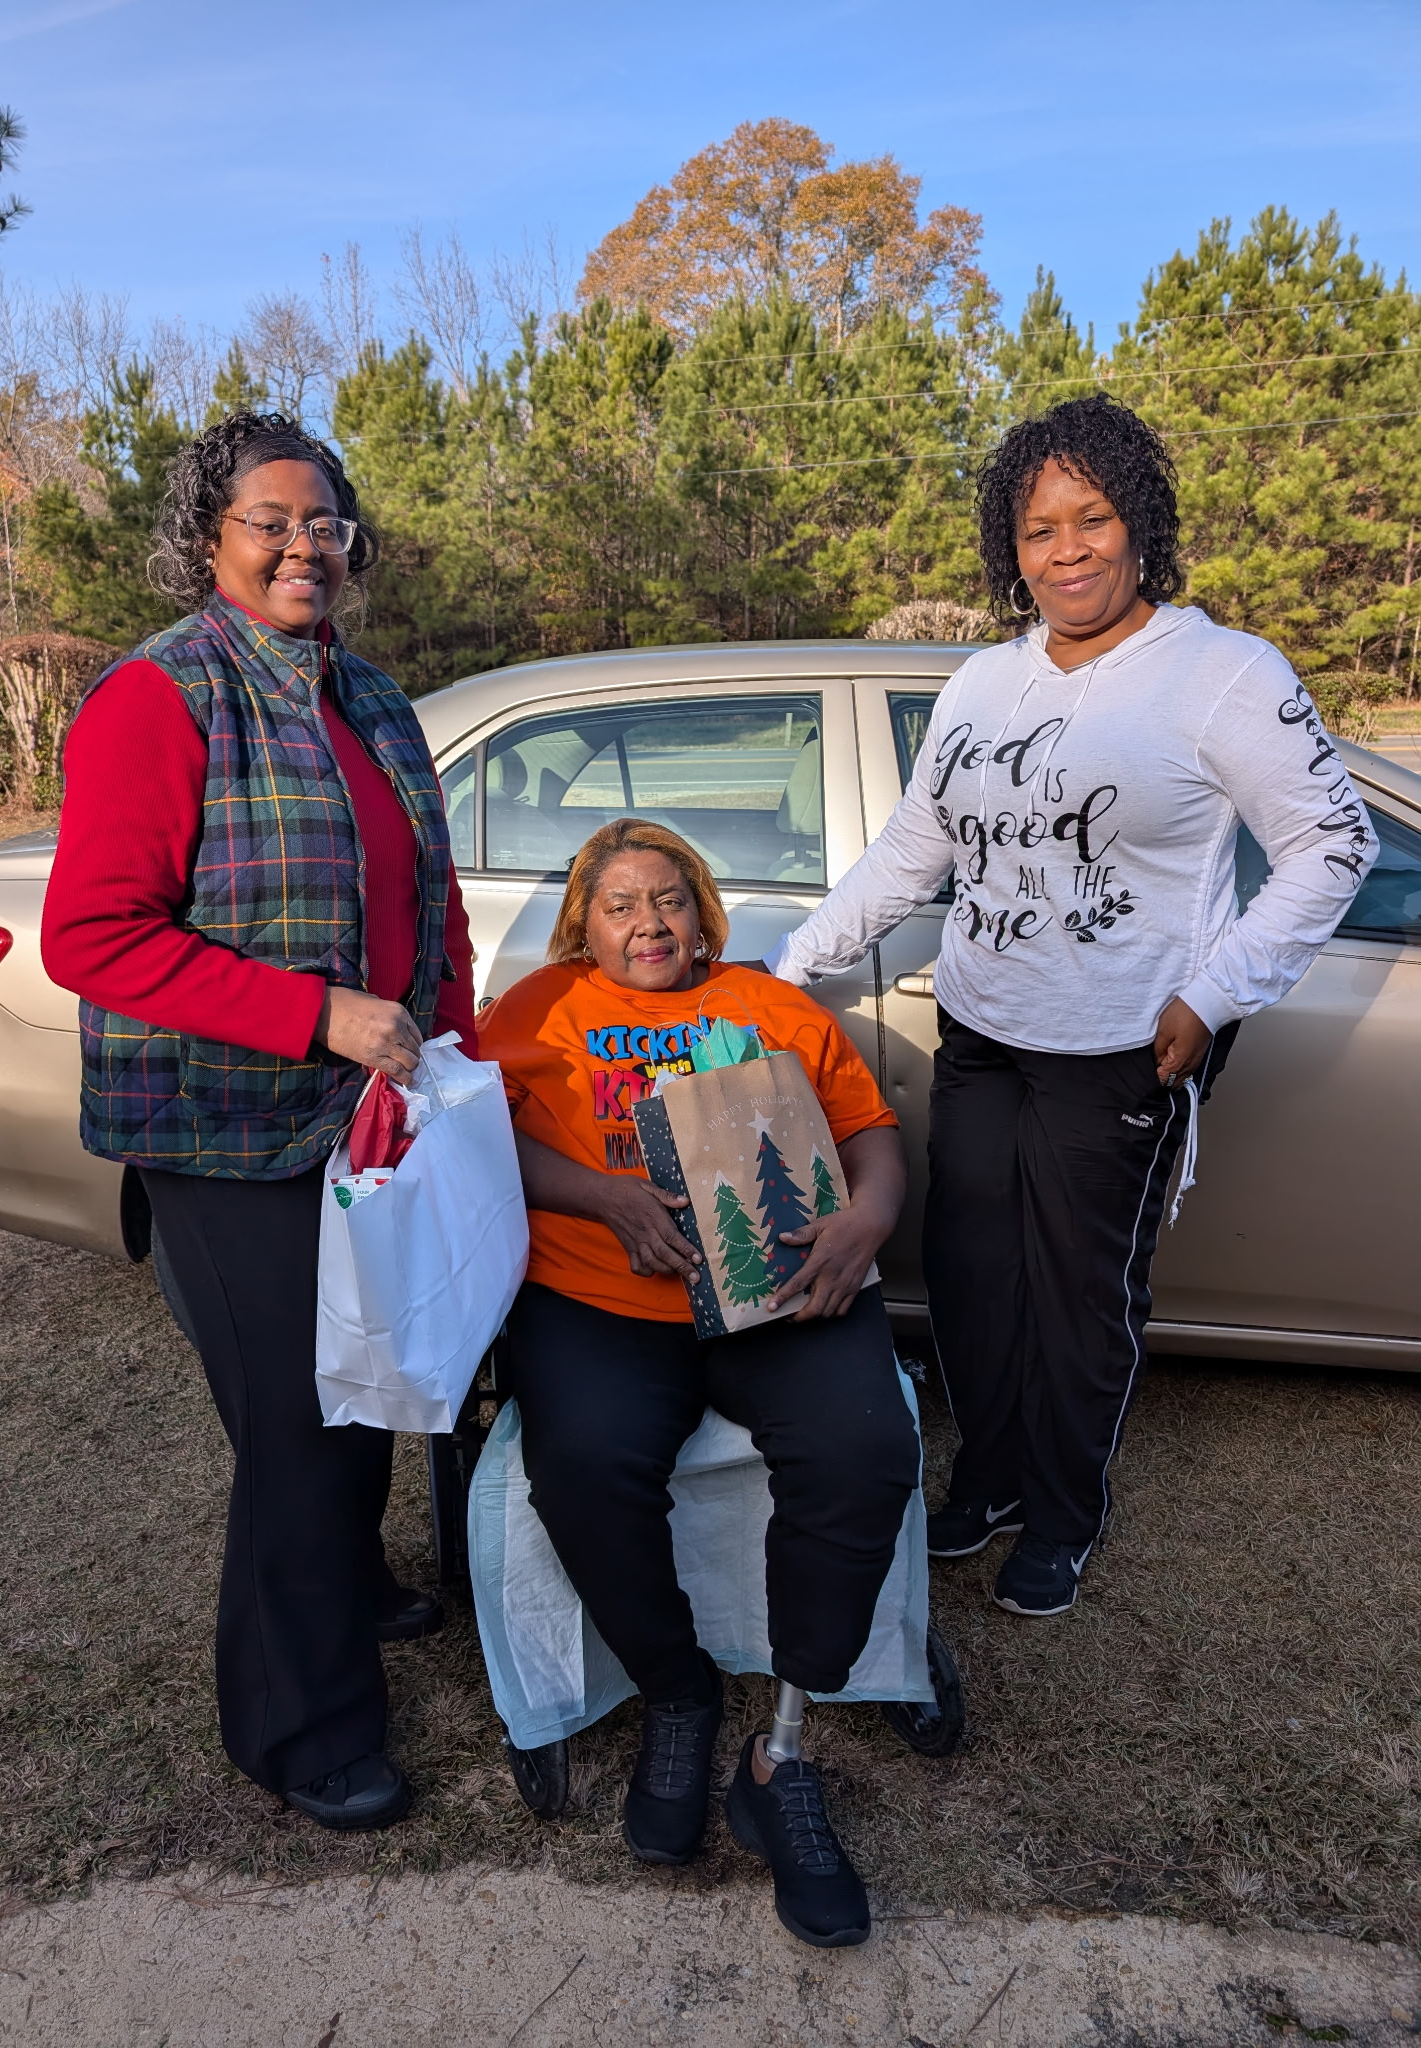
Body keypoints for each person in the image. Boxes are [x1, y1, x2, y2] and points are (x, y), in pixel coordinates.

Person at [764, 393, 1377, 1620]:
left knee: (1081, 1293)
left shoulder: (1222, 674)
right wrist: (784, 972)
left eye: (1092, 517)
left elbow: (1332, 843)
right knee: (974, 1272)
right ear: (1011, 546)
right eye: (1039, 529)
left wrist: (1214, 993)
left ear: (1138, 520)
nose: (1069, 549)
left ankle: (1061, 1510)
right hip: (988, 1032)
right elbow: (910, 854)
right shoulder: (983, 684)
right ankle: (988, 1476)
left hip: (1122, 1050)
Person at [42, 411, 476, 1831]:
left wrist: (446, 1038)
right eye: (268, 521)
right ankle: (300, 1729)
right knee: (297, 1424)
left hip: (366, 1121)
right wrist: (319, 1014)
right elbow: (95, 936)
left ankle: (350, 1582)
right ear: (208, 539)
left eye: (323, 522)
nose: (303, 545)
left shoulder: (373, 694)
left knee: (366, 1377)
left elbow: (431, 894)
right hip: (223, 1132)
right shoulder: (158, 698)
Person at [477, 818, 918, 1950]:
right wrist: (601, 1195)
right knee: (580, 1462)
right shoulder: (537, 1012)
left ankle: (779, 1748)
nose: (649, 923)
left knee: (864, 1446)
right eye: (620, 905)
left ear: (704, 909)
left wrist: (868, 1217)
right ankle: (677, 1689)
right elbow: (476, 1138)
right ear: (585, 922)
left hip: (777, 1295)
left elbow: (869, 1131)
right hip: (603, 1300)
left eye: (668, 899)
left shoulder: (777, 1009)